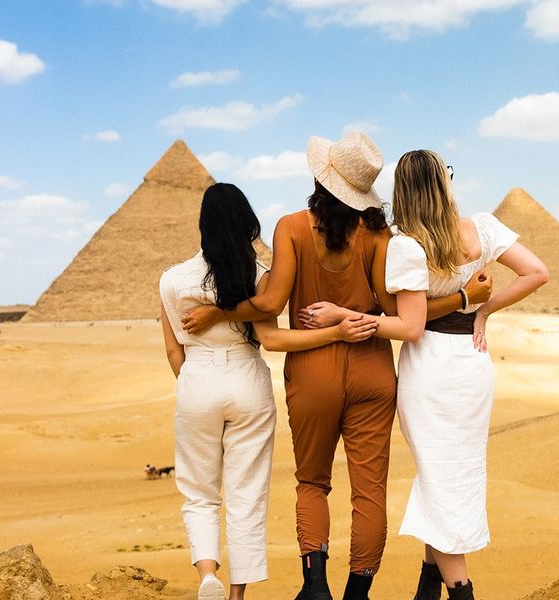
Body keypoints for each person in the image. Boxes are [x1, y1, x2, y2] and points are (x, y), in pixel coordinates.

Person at [180, 133, 492, 600]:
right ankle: (358, 591)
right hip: (373, 370)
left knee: (312, 481)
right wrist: (467, 298)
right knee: (370, 490)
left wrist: (219, 311)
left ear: (319, 179)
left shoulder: (290, 227)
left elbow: (270, 300)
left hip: (311, 370)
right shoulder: (382, 236)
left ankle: (314, 585)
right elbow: (403, 313)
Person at [300, 150, 548, 600]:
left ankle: (461, 590)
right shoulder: (483, 228)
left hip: (431, 370)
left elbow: (409, 328)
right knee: (453, 475)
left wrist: (346, 314)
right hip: (473, 367)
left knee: (440, 477)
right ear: (443, 183)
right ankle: (426, 591)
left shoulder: (407, 245)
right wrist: (482, 310)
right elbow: (537, 272)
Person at [159, 182, 380, 600]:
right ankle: (237, 595)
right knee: (246, 492)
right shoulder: (259, 277)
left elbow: (173, 350)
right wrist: (336, 332)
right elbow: (274, 340)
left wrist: (194, 386)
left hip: (196, 380)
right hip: (247, 382)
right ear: (246, 223)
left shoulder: (171, 280)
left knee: (199, 491)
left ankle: (208, 574)